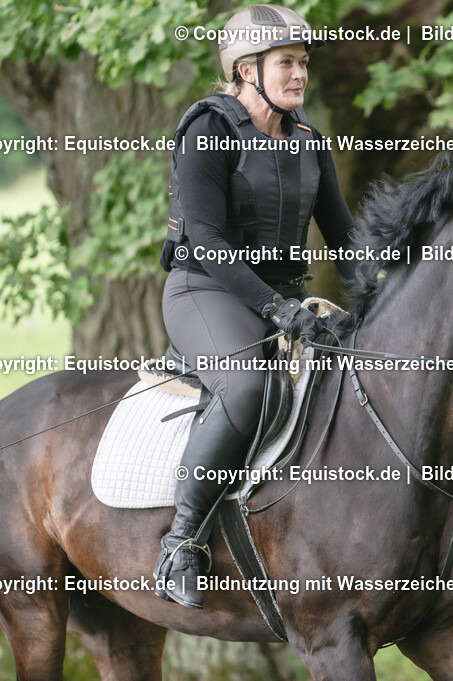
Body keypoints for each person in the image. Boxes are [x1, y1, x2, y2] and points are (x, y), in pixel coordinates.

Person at [155, 3, 355, 609]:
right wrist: (276, 310)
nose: (300, 75)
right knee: (246, 387)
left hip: (285, 302)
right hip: (205, 293)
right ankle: (181, 544)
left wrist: (387, 291)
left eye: (303, 63)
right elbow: (209, 243)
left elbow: (346, 237)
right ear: (247, 69)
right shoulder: (207, 131)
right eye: (286, 63)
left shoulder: (310, 143)